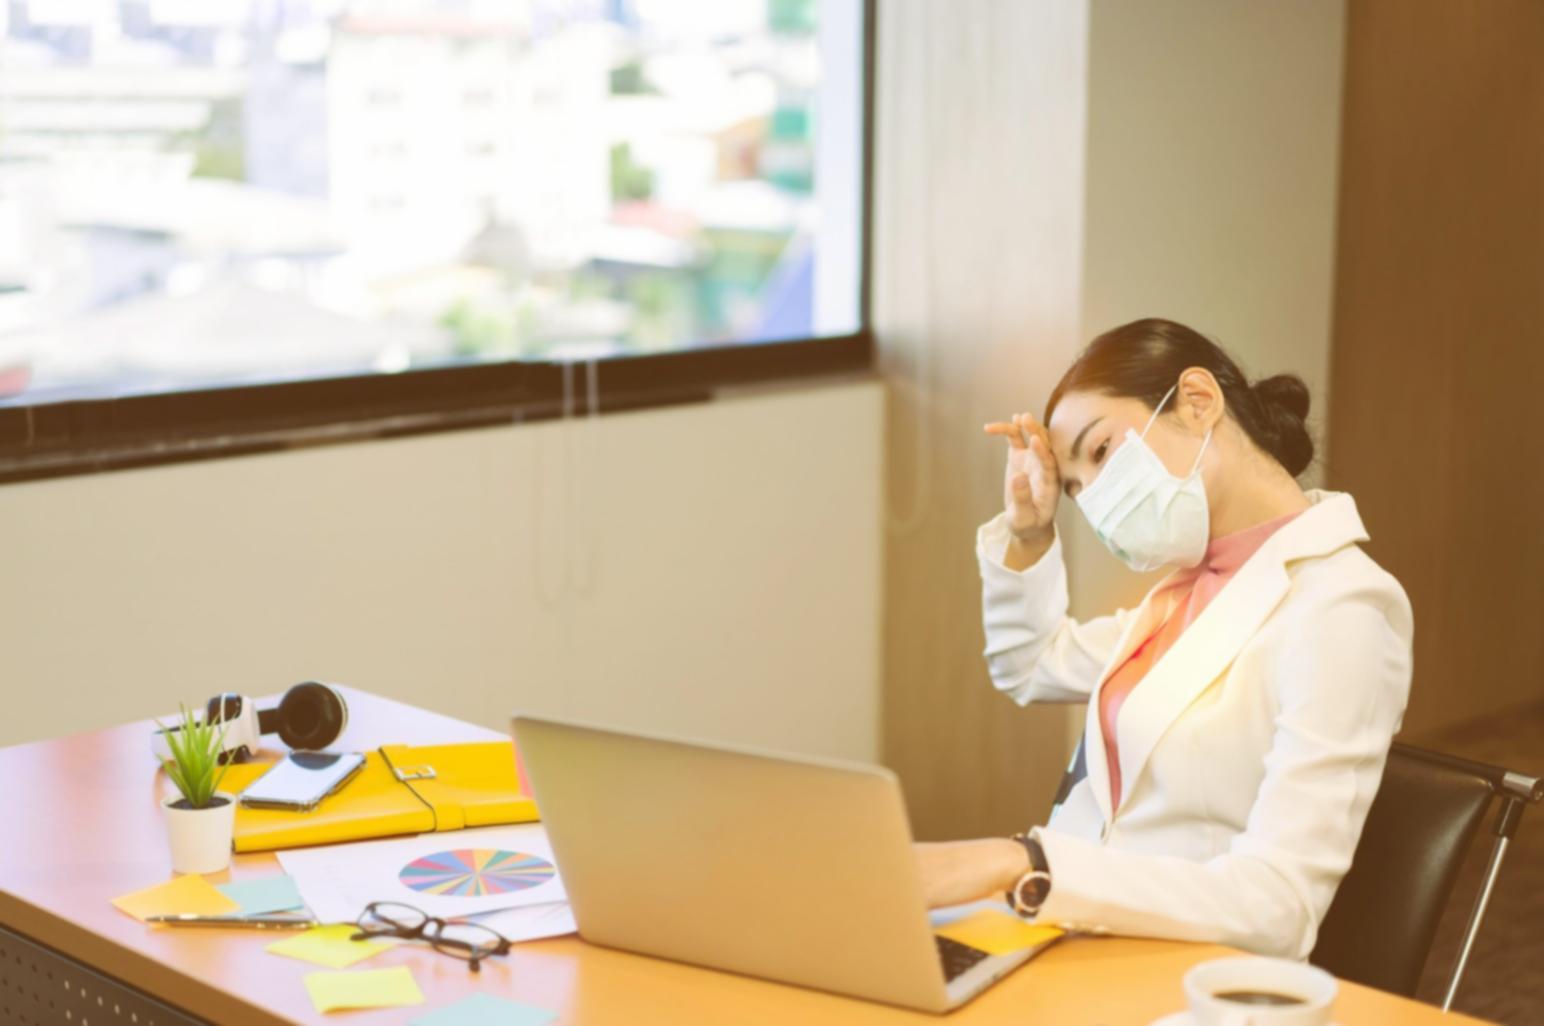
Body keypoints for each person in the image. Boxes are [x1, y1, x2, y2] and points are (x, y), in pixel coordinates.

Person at [914, 317, 1413, 960]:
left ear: (1198, 402)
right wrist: (1032, 532)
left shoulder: (1344, 607)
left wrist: (1025, 863)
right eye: (1075, 490)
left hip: (1176, 970)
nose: (1093, 503)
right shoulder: (1188, 591)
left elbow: (1279, 905)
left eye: (1099, 454)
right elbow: (1029, 665)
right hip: (1065, 938)